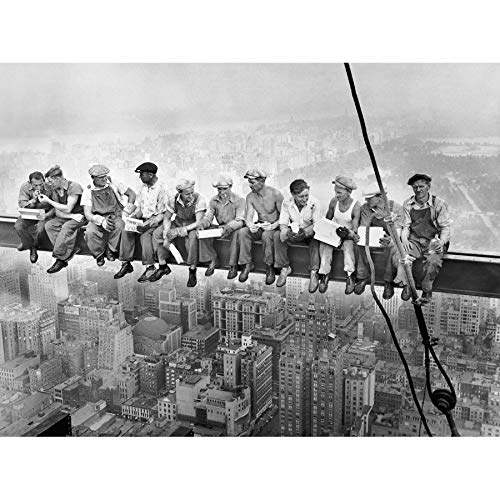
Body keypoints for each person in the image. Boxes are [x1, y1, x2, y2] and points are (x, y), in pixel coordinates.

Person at [395, 173, 451, 303]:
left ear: (428, 186)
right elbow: (406, 226)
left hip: (433, 240)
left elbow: (445, 227)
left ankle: (426, 290)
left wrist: (441, 242)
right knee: (404, 257)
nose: (418, 190)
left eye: (421, 186)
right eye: (415, 187)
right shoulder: (408, 203)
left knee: (433, 261)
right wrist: (405, 240)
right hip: (415, 240)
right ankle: (408, 285)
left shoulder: (439, 204)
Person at [113, 162, 167, 282]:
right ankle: (126, 263)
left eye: (142, 174)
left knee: (145, 236)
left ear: (151, 175)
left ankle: (150, 267)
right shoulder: (143, 188)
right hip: (144, 219)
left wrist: (148, 224)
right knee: (127, 231)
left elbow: (163, 214)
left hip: (156, 222)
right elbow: (141, 209)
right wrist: (132, 218)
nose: (140, 177)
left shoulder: (162, 189)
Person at [151, 178, 207, 287]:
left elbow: (198, 221)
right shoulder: (173, 200)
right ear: (180, 193)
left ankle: (192, 269)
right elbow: (167, 218)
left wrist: (181, 230)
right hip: (178, 222)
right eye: (187, 194)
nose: (190, 196)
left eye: (192, 193)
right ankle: (163, 265)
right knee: (157, 233)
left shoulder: (200, 200)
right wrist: (166, 232)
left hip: (191, 226)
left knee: (192, 238)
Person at [353, 183, 404, 298]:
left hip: (389, 239)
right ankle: (363, 276)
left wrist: (390, 239)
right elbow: (364, 227)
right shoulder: (366, 208)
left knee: (392, 247)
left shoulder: (396, 208)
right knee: (359, 244)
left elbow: (398, 233)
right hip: (372, 237)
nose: (366, 200)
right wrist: (359, 236)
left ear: (380, 197)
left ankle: (388, 281)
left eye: (369, 198)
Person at [81, 164, 137, 267]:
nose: (104, 179)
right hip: (98, 217)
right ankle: (99, 254)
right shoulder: (88, 190)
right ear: (93, 178)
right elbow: (87, 214)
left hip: (115, 214)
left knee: (120, 227)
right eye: (101, 177)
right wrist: (101, 221)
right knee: (90, 232)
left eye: (105, 176)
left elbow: (132, 194)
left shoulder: (113, 183)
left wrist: (126, 212)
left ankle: (111, 250)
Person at [238, 169, 284, 285]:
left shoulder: (276, 194)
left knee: (266, 235)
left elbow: (284, 217)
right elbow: (249, 216)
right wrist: (250, 225)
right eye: (249, 182)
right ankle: (247, 264)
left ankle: (269, 267)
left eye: (252, 182)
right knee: (243, 232)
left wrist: (274, 225)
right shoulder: (250, 197)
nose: (250, 185)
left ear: (262, 181)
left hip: (274, 226)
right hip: (261, 224)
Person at [38, 166, 87, 273]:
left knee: (66, 227)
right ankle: (71, 249)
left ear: (58, 179)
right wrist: (71, 216)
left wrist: (48, 201)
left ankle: (60, 259)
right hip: (69, 216)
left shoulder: (74, 186)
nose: (50, 185)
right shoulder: (55, 191)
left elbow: (68, 208)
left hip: (81, 216)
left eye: (51, 182)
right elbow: (58, 211)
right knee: (49, 225)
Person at [318, 175, 361, 294]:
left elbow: (355, 228)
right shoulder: (334, 201)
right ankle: (324, 274)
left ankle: (350, 275)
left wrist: (348, 233)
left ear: (348, 192)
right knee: (325, 245)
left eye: (339, 193)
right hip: (335, 233)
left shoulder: (356, 206)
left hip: (347, 235)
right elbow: (328, 219)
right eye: (335, 192)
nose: (337, 195)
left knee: (348, 248)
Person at [276, 179, 321, 291]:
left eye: (306, 195)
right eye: (301, 196)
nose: (305, 199)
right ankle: (285, 267)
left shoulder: (315, 203)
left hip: (309, 233)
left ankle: (314, 272)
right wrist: (287, 232)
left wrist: (305, 232)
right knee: (278, 237)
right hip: (294, 231)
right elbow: (283, 223)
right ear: (293, 195)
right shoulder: (287, 203)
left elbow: (317, 225)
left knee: (316, 242)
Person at [198, 175, 245, 279]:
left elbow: (240, 220)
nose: (222, 191)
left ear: (230, 187)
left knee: (237, 235)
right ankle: (213, 259)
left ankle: (233, 265)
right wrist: (203, 224)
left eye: (225, 189)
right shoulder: (213, 201)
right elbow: (209, 216)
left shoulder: (239, 200)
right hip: (220, 227)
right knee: (203, 233)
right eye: (219, 189)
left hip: (233, 227)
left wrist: (228, 227)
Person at [15, 171, 54, 263]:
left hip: (45, 213)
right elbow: (22, 204)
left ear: (44, 181)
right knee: (18, 226)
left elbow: (55, 205)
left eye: (41, 184)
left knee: (40, 229)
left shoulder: (50, 187)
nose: (39, 187)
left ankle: (31, 245)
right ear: (30, 183)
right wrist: (33, 200)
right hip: (29, 213)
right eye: (35, 185)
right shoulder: (25, 187)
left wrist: (47, 213)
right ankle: (29, 245)